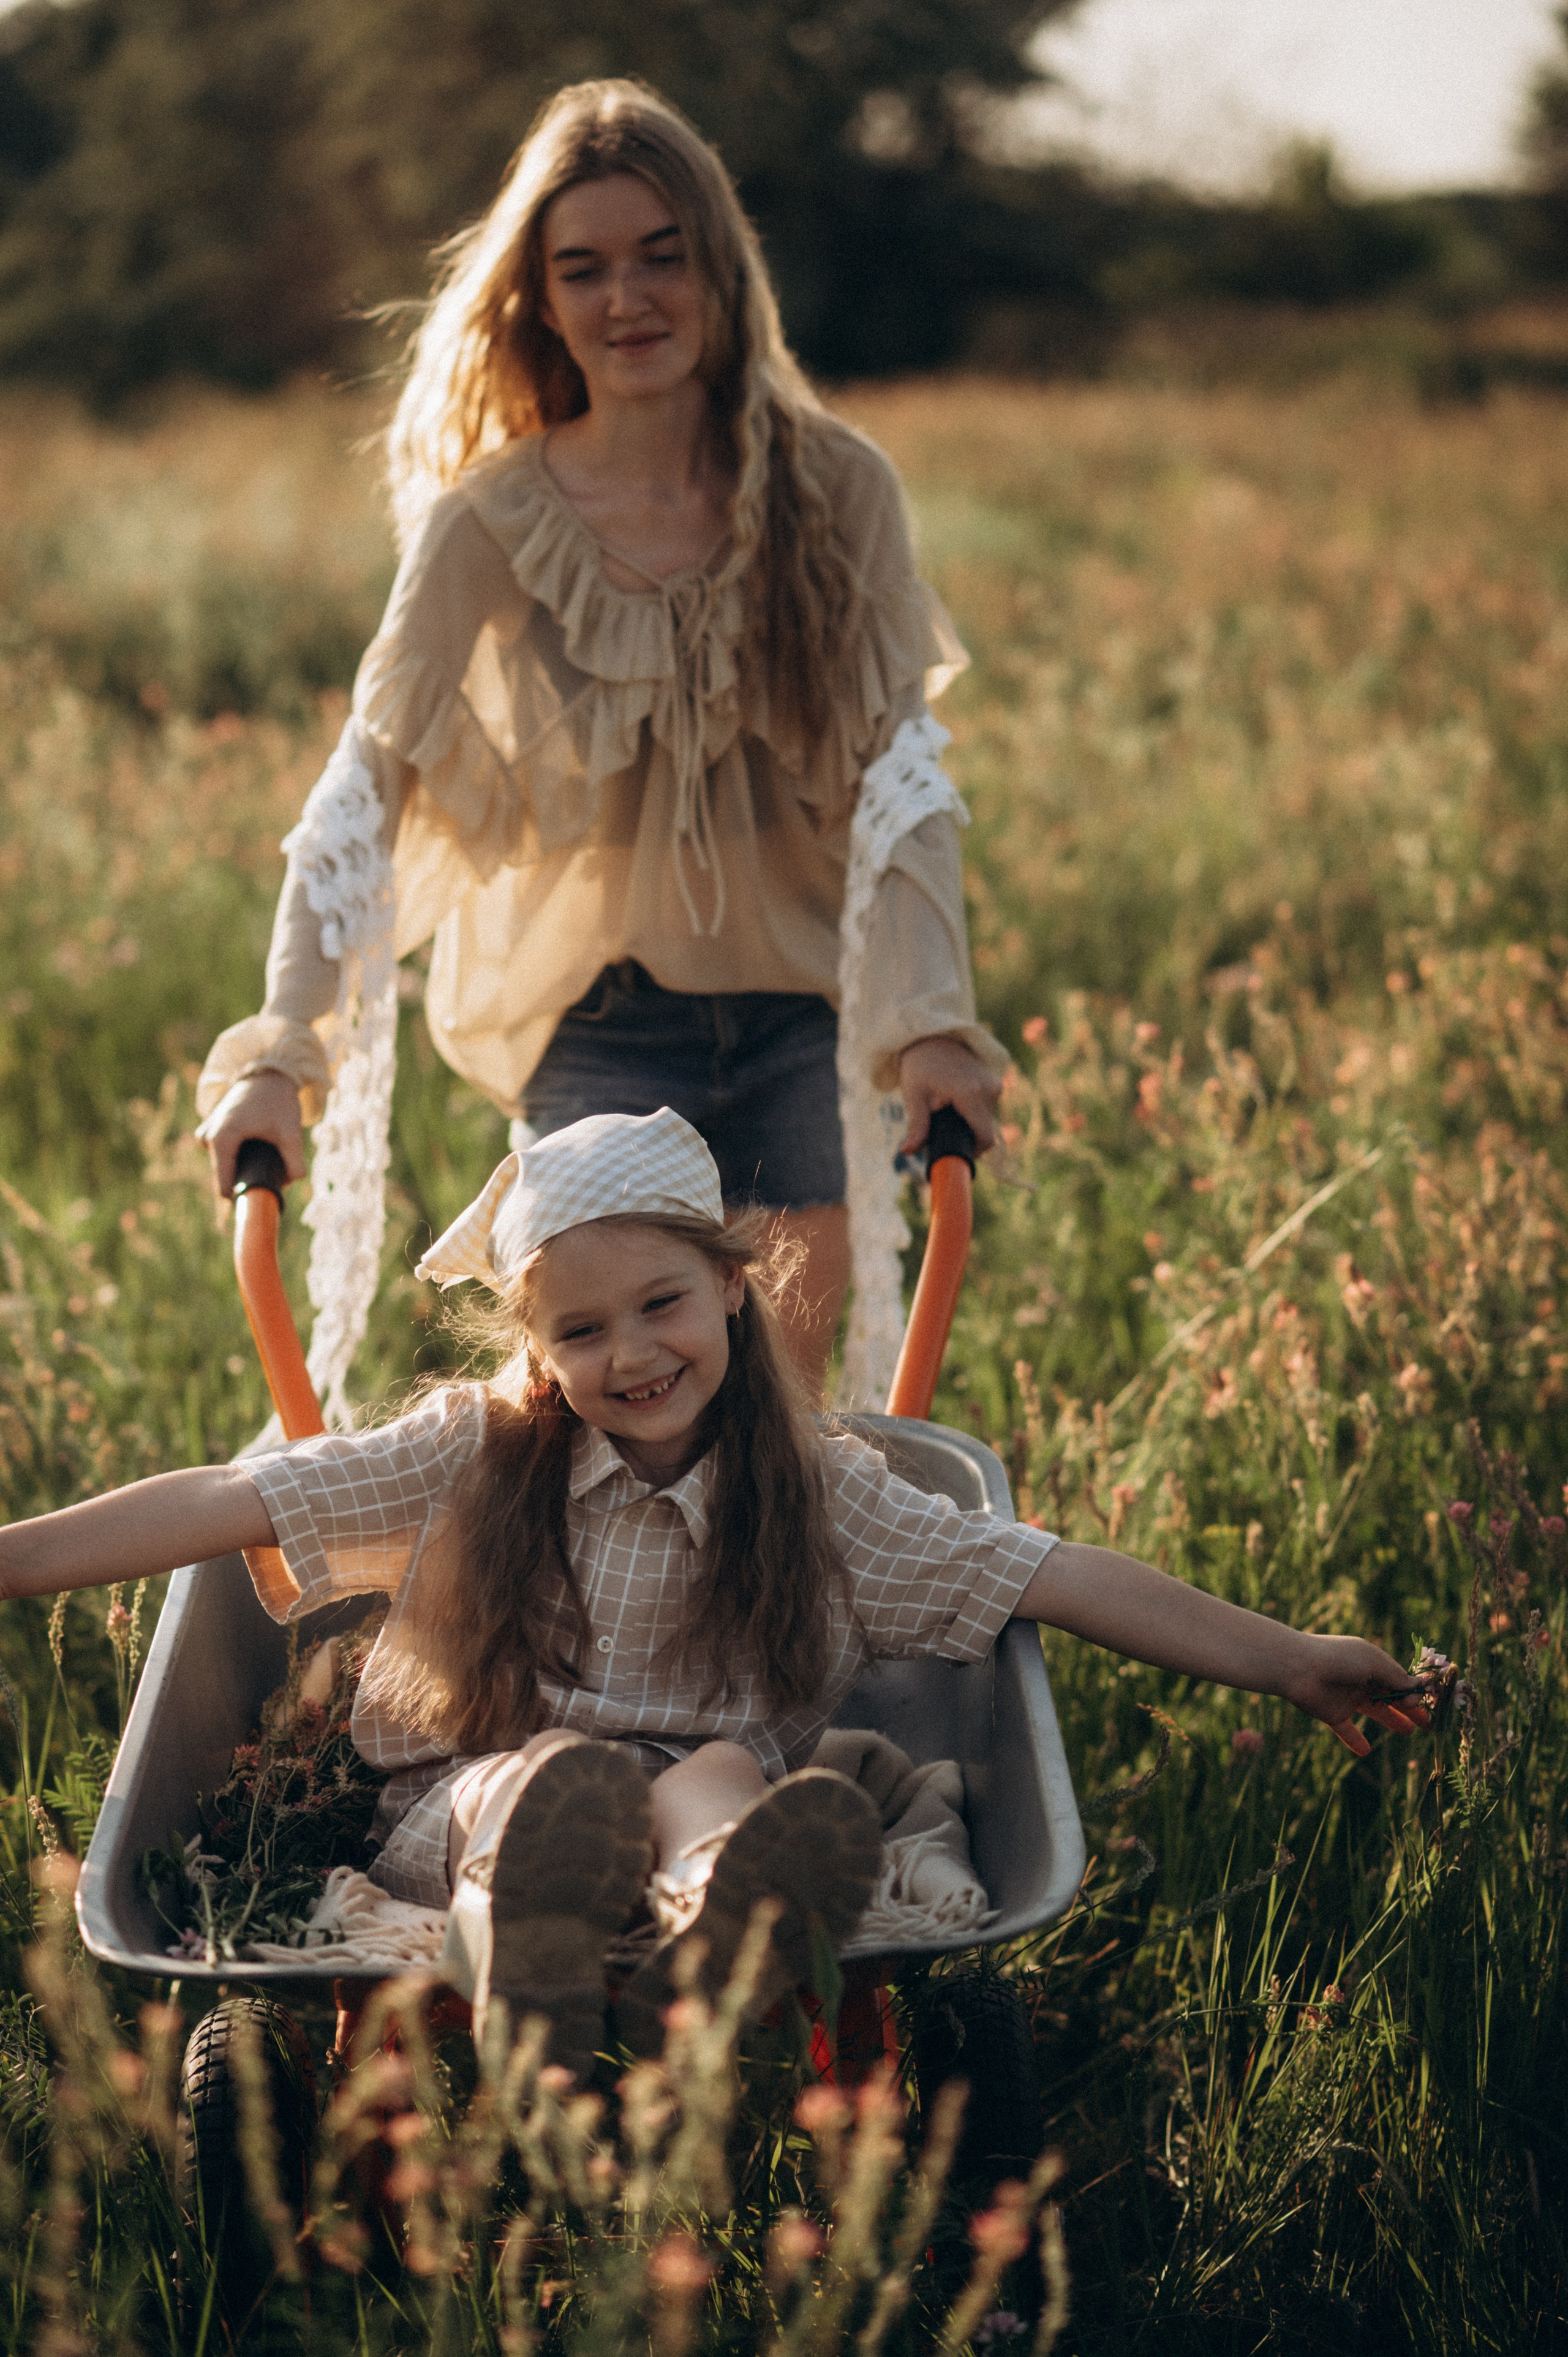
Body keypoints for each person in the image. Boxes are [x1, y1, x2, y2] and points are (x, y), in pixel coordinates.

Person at [1, 1110, 1428, 2081]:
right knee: (556, 1779)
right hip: (472, 1804)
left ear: (735, 1289)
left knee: (729, 1770)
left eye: (661, 1302)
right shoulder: (468, 1455)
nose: (629, 1352)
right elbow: (230, 1500)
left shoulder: (822, 1491)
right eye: (579, 1327)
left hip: (692, 1787)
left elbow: (1045, 1572)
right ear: (535, 1345)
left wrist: (1284, 1655)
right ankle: (524, 1942)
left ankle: (713, 1934)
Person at [193, 77, 1007, 1422]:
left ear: (718, 272)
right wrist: (282, 1045)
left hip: (801, 1018)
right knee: (612, 1415)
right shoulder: (490, 522)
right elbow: (365, 789)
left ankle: (765, 1636)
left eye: (659, 256)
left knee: (773, 1426)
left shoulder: (836, 489)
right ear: (541, 300)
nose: (626, 298)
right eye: (584, 268)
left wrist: (927, 1027)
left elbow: (897, 783)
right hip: (602, 1032)